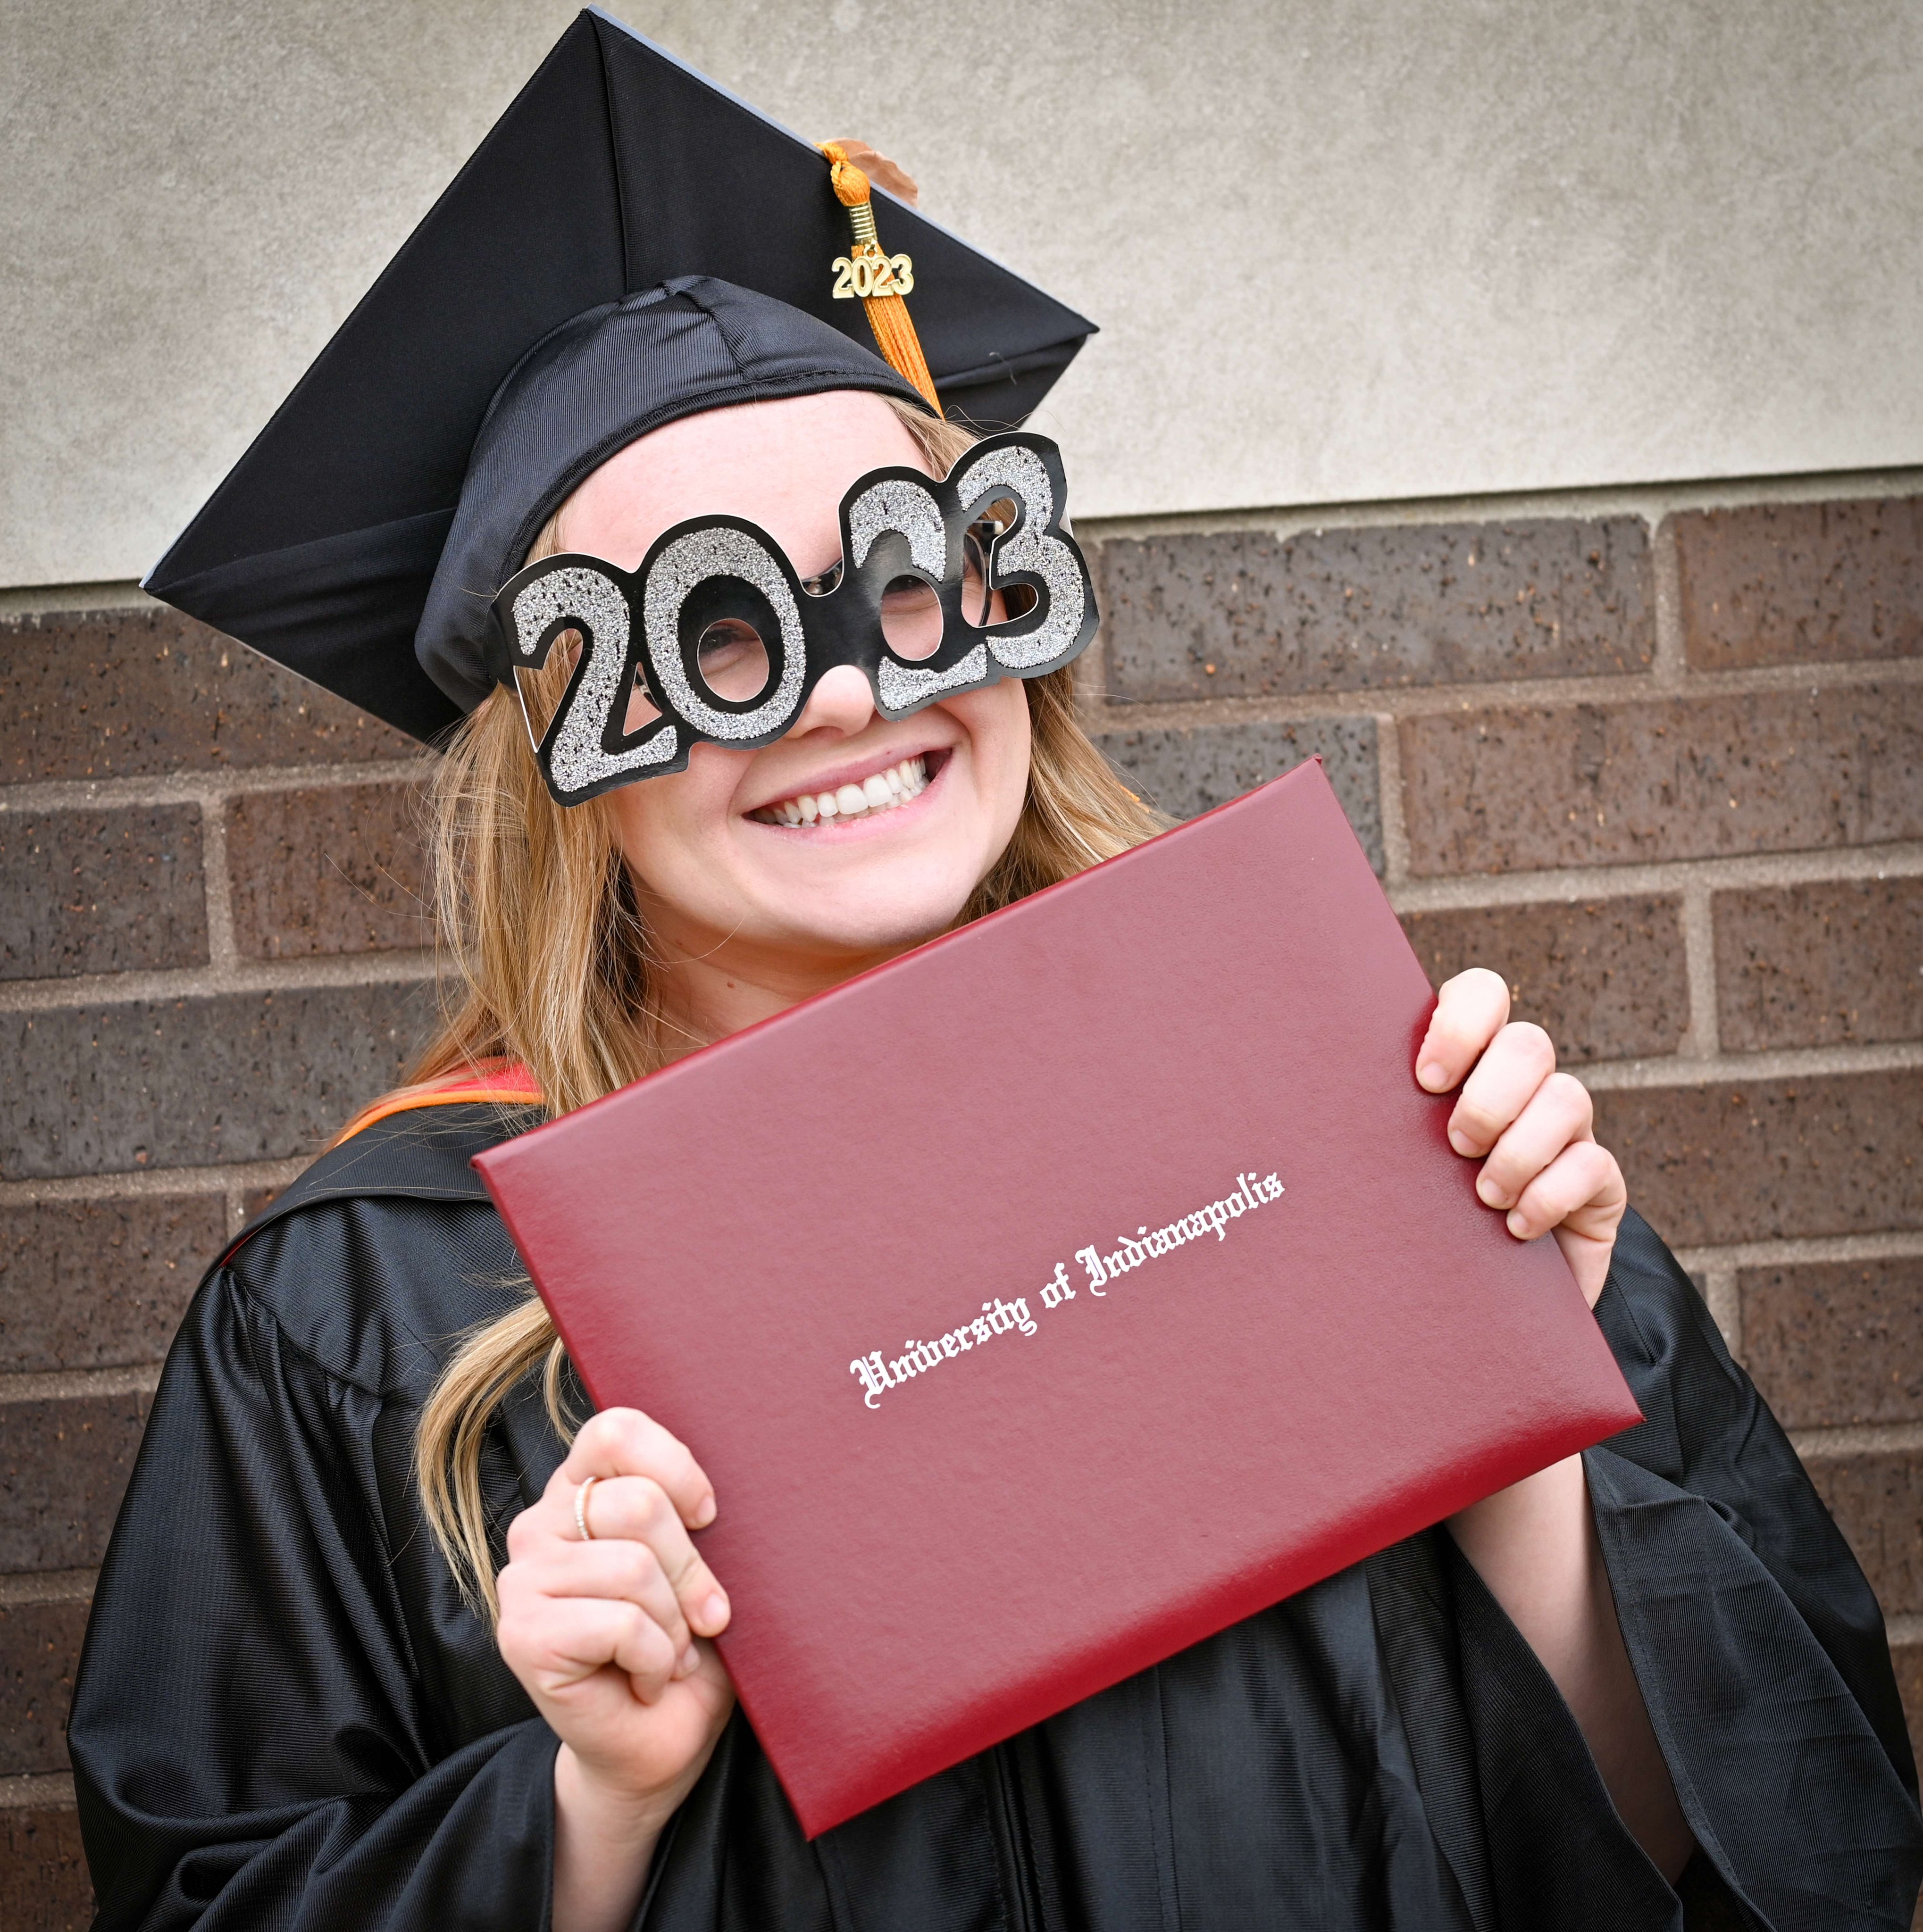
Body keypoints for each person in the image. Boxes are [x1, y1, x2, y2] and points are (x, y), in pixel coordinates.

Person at [70, 15, 1922, 1930]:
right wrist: (586, 1810)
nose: (857, 687)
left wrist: (1503, 1412)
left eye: (904, 575)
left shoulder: (1372, 1111)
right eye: (714, 638)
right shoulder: (359, 1306)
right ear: (555, 753)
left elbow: (1767, 1843)